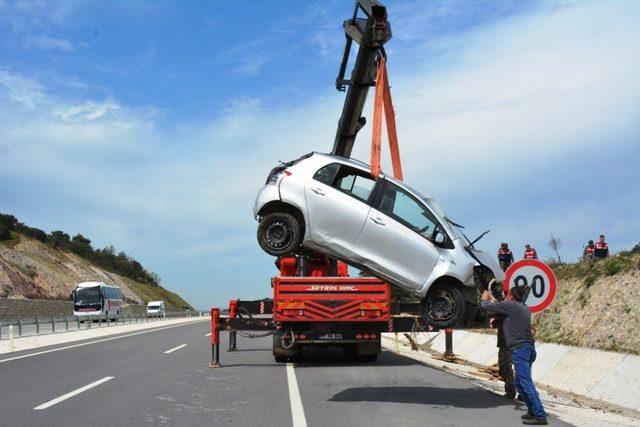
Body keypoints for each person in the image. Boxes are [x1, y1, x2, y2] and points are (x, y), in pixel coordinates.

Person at [481, 286, 548, 425]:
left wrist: (484, 296)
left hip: (520, 350)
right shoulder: (524, 307)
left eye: (508, 295)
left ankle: (540, 415)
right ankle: (532, 411)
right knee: (519, 383)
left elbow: (486, 306)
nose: (507, 297)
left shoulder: (510, 306)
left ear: (511, 296)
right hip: (529, 349)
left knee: (526, 383)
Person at [489, 281, 516, 399]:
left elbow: (496, 322)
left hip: (509, 342)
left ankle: (511, 392)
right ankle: (511, 389)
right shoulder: (504, 306)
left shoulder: (510, 308)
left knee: (507, 367)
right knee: (503, 368)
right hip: (503, 342)